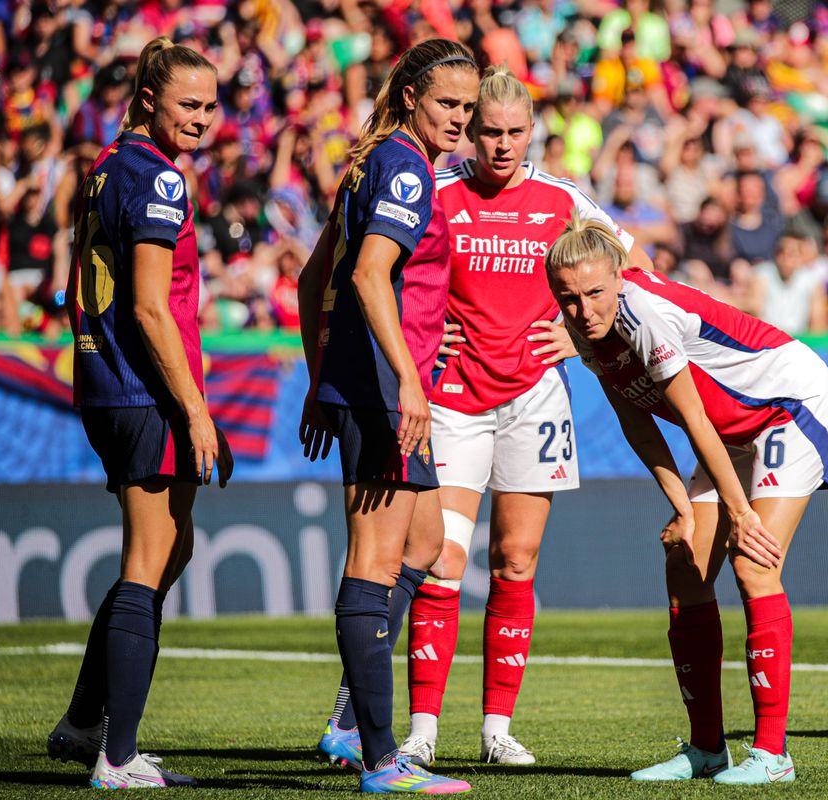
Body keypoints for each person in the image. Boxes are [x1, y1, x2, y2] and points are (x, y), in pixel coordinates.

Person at [394, 65, 652, 769]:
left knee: (515, 560)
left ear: (531, 130)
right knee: (443, 560)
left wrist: (585, 330)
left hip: (534, 397)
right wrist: (423, 329)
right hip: (453, 398)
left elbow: (638, 268)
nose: (501, 145)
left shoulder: (562, 198)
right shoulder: (439, 191)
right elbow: (384, 269)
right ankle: (421, 728)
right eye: (488, 132)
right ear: (469, 131)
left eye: (514, 132)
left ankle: (497, 727)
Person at [545, 217, 828, 785]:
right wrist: (682, 504)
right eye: (569, 298)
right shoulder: (584, 328)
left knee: (755, 562)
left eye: (594, 293)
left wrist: (740, 511)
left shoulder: (643, 315)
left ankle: (773, 756)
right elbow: (638, 421)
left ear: (619, 276)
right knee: (684, 569)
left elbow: (695, 418)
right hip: (730, 430)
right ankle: (708, 750)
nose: (583, 310)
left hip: (788, 403)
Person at [46, 37, 233, 789]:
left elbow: (72, 290)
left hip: (108, 383)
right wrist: (192, 407)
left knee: (171, 551)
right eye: (188, 104)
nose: (202, 119)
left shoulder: (105, 169)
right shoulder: (157, 180)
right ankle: (115, 756)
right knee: (149, 561)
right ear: (149, 99)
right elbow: (152, 309)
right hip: (144, 390)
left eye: (211, 106)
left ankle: (85, 721)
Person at [297, 38, 478, 794]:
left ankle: (352, 722)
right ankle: (376, 758)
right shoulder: (403, 167)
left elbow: (316, 277)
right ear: (410, 96)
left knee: (430, 543)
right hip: (385, 390)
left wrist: (320, 378)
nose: (460, 121)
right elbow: (367, 274)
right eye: (447, 104)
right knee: (373, 562)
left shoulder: (373, 160)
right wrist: (404, 379)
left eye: (468, 108)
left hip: (370, 383)